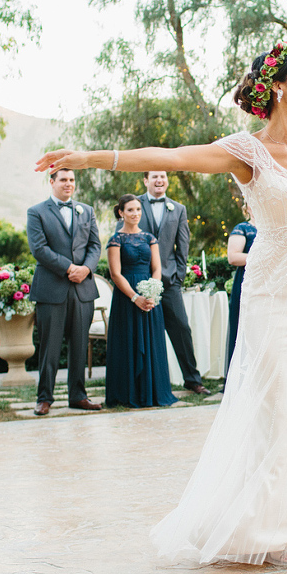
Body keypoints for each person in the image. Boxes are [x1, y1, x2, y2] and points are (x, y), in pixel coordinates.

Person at [36, 42, 287, 566]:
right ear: (279, 86)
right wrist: (87, 159)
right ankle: (276, 520)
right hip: (274, 298)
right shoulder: (246, 151)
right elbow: (172, 157)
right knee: (285, 407)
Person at [27, 168, 102, 414]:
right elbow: (39, 249)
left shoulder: (87, 210)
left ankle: (78, 395)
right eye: (63, 180)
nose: (68, 184)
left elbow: (94, 245)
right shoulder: (36, 212)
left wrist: (86, 269)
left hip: (83, 288)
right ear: (52, 182)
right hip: (51, 288)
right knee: (50, 346)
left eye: (71, 180)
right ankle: (44, 397)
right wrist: (69, 267)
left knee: (80, 345)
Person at [133, 170, 208, 395]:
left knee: (181, 328)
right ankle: (143, 383)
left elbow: (182, 245)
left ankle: (192, 379)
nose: (159, 180)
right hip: (140, 280)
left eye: (163, 177)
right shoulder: (133, 205)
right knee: (142, 333)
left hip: (169, 282)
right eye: (154, 177)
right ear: (145, 180)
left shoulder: (178, 208)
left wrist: (179, 275)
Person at [106, 194, 177, 408]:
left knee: (152, 341)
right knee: (129, 341)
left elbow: (157, 269)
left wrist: (152, 293)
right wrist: (135, 297)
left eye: (138, 209)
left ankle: (154, 392)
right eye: (130, 210)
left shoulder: (149, 238)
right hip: (127, 297)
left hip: (150, 298)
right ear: (121, 213)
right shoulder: (115, 240)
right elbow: (115, 274)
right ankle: (129, 393)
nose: (135, 213)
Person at [224, 207, 256, 373]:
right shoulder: (243, 228)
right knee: (244, 328)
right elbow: (233, 257)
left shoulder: (274, 227)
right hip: (248, 282)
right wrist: (264, 257)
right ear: (247, 207)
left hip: (273, 282)